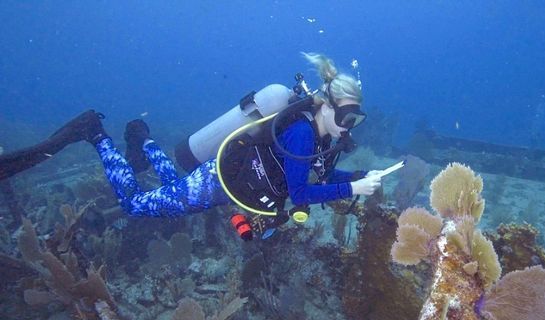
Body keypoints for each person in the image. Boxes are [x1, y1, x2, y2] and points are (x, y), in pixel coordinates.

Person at [2, 53, 383, 238]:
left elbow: (320, 173)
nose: (350, 128)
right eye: (347, 117)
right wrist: (353, 188)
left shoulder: (318, 138)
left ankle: (143, 139)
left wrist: (360, 175)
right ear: (326, 107)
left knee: (171, 187)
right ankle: (96, 134)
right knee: (136, 206)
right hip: (219, 183)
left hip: (227, 182)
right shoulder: (302, 133)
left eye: (356, 120)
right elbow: (301, 191)